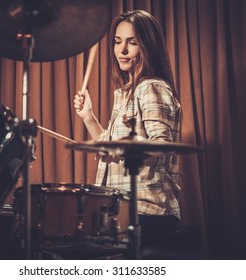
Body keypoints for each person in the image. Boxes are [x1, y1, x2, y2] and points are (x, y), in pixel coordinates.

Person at [74, 10, 182, 249]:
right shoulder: (127, 92)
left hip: (146, 212)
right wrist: (88, 117)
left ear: (148, 46)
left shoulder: (151, 87)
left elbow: (161, 148)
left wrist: (122, 153)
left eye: (131, 43)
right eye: (117, 42)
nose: (121, 50)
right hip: (123, 210)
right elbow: (112, 149)